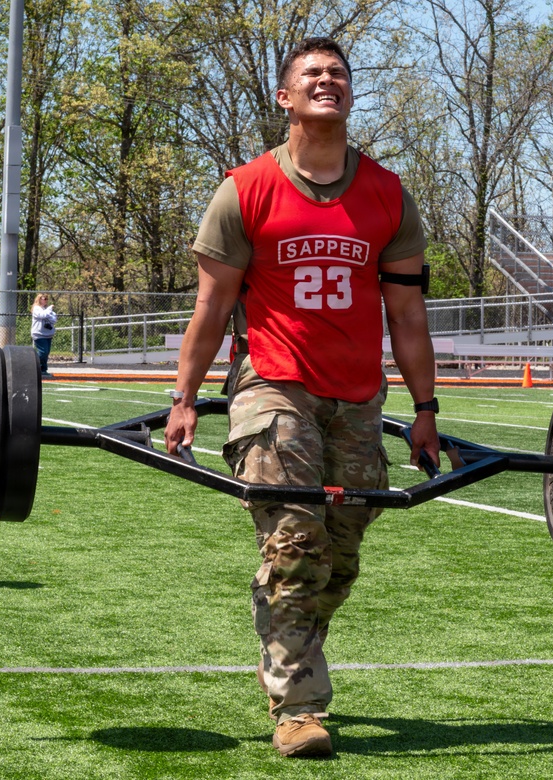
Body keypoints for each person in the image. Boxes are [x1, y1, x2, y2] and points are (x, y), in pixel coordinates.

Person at [164, 37, 440, 758]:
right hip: (271, 385)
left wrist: (427, 412)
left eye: (339, 74)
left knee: (337, 560)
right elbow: (212, 307)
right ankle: (298, 708)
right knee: (295, 539)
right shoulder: (246, 189)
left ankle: (294, 654)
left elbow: (407, 317)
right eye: (312, 74)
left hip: (356, 398)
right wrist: (185, 396)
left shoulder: (387, 195)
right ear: (284, 98)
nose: (328, 81)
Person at [31, 293, 57, 378]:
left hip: (48, 334)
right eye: (43, 298)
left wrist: (48, 312)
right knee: (43, 352)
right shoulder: (36, 308)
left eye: (46, 298)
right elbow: (42, 315)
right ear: (39, 299)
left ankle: (43, 370)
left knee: (46, 353)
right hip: (39, 334)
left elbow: (53, 319)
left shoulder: (46, 309)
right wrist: (48, 311)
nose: (45, 300)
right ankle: (33, 365)